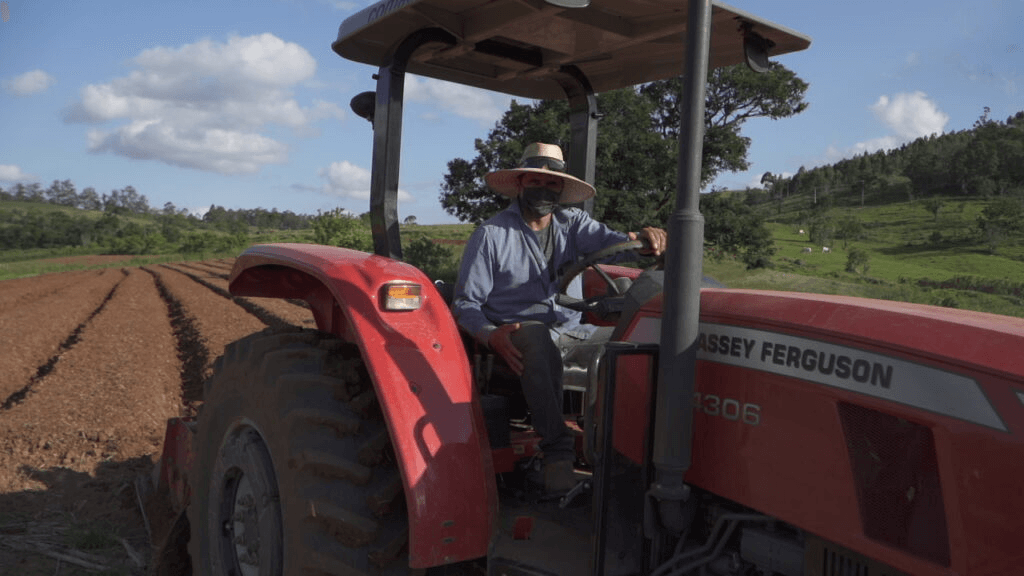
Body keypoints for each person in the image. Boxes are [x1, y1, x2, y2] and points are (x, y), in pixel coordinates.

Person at [452, 142, 666, 495]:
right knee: (536, 337)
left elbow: (617, 242)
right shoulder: (490, 235)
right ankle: (558, 453)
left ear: (562, 191)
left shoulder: (574, 223)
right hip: (518, 334)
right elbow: (465, 304)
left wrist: (647, 241)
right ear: (521, 183)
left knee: (634, 342)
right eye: (537, 181)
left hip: (571, 330)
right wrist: (492, 335)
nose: (545, 190)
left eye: (553, 184)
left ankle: (622, 448)